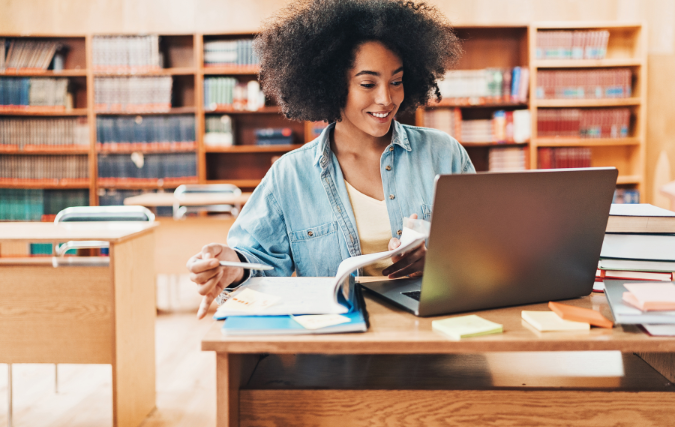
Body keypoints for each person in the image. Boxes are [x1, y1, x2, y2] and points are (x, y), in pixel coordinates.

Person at [188, 0, 475, 319]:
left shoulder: (444, 154)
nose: (387, 98)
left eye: (396, 81)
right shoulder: (290, 175)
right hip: (338, 347)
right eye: (368, 84)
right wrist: (232, 268)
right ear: (332, 85)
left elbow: (486, 249)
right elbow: (258, 265)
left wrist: (441, 258)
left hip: (436, 338)